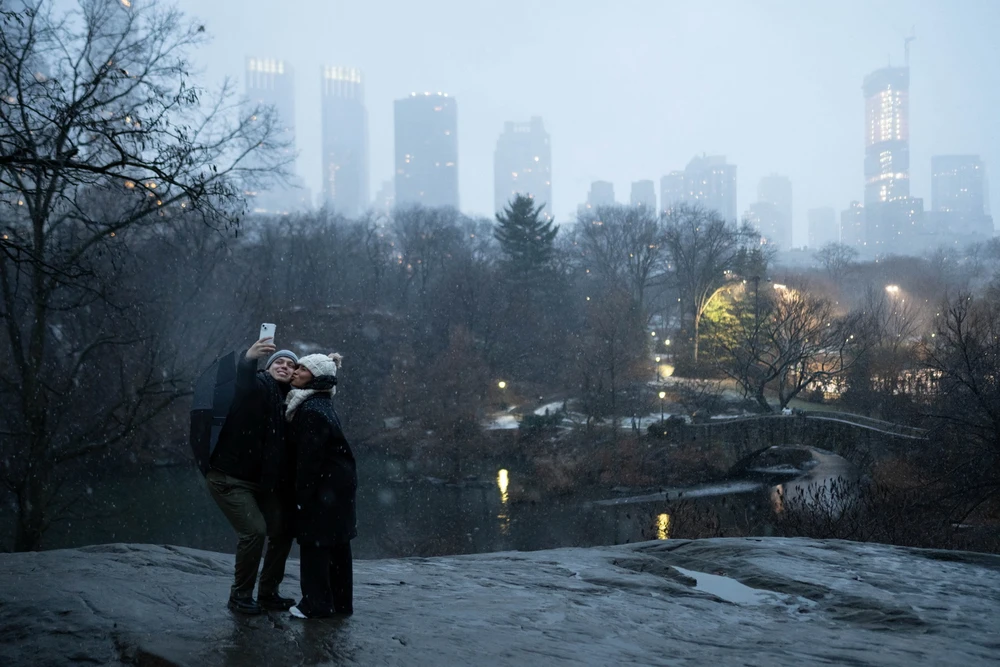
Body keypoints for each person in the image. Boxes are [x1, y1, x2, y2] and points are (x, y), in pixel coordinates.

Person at [205, 338, 298, 615]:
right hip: (228, 478)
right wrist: (249, 359)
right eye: (279, 362)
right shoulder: (257, 386)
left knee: (283, 531)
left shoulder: (290, 399)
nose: (284, 366)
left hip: (260, 482)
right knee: (255, 531)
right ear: (268, 367)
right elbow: (244, 381)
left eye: (291, 364)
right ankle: (240, 596)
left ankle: (268, 593)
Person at [283, 353, 357, 619]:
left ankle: (316, 604)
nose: (295, 372)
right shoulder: (322, 403)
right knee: (338, 545)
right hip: (339, 486)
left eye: (301, 369)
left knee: (315, 545)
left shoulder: (310, 410)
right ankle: (341, 604)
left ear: (315, 377)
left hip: (324, 489)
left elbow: (309, 460)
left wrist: (302, 497)